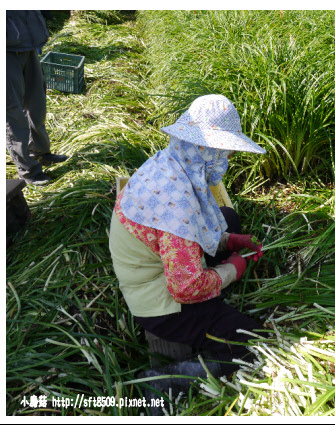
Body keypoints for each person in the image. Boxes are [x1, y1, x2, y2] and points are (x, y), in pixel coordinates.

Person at [109, 94, 266, 413]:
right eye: (223, 153)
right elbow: (186, 287)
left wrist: (228, 240)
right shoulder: (177, 207)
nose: (226, 159)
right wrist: (234, 268)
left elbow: (195, 227)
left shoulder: (172, 162)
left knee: (228, 219)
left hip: (155, 259)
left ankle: (227, 242)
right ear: (207, 151)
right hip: (158, 300)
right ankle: (168, 379)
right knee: (249, 338)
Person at [6, 10, 68, 186]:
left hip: (28, 43)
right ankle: (28, 170)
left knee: (37, 105)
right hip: (7, 52)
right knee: (13, 113)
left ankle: (40, 152)